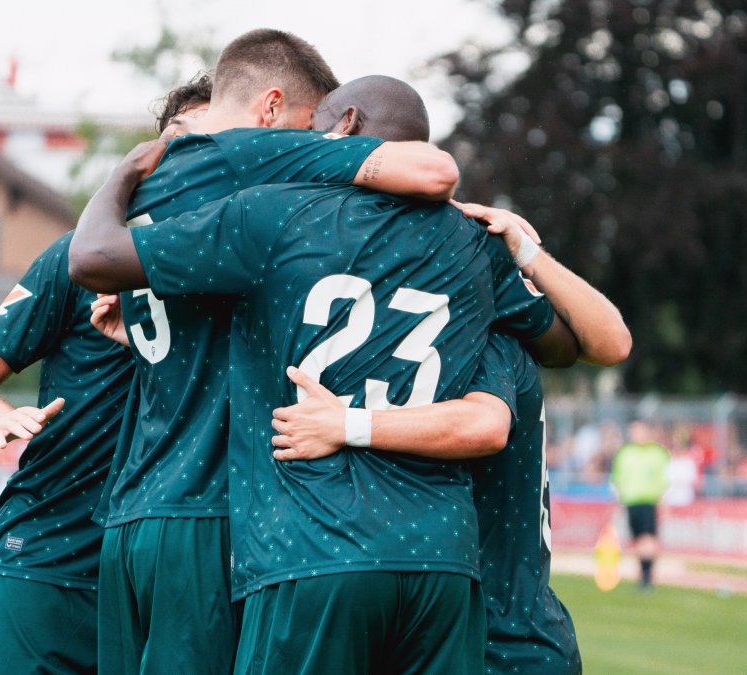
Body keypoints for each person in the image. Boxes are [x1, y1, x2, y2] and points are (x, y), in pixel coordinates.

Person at [84, 74, 590, 674]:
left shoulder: (272, 213)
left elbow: (95, 259)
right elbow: (567, 342)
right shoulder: (475, 246)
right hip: (443, 558)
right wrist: (525, 251)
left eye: (316, 126)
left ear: (345, 125)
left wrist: (122, 179)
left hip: (312, 544)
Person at [69, 29, 461, 675]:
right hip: (218, 509)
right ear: (273, 110)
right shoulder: (271, 171)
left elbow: (100, 259)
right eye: (314, 124)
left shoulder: (157, 192)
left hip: (135, 507)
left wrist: (119, 178)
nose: (319, 142)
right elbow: (433, 169)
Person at [268, 209, 628, 674]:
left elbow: (491, 422)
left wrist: (524, 250)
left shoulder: (484, 341)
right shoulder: (425, 343)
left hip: (499, 636)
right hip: (491, 624)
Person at [0, 77, 216, 675]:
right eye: (184, 141)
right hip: (47, 559)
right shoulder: (80, 258)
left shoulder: (243, 266)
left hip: (162, 576)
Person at [610, 420, 670, 590]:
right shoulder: (625, 453)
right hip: (631, 501)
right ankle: (643, 573)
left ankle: (646, 576)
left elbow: (664, 479)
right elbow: (617, 479)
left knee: (648, 539)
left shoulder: (657, 453)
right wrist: (618, 501)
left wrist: (663, 501)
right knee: (638, 540)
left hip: (649, 501)